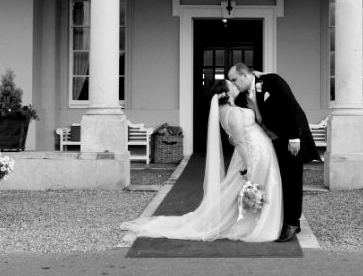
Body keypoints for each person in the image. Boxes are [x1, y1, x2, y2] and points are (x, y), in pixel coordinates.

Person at [121, 79, 283, 242]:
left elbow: (233, 138)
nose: (235, 86)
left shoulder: (227, 109)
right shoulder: (232, 112)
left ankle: (249, 220)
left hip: (253, 151)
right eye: (231, 85)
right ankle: (247, 223)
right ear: (226, 93)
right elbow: (239, 140)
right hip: (251, 154)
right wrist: (249, 164)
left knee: (236, 188)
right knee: (242, 187)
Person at [228, 62, 317, 243]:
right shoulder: (242, 98)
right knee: (281, 179)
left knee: (292, 179)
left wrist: (294, 138)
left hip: (291, 138)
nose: (233, 83)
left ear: (245, 75)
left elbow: (290, 105)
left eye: (234, 79)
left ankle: (292, 223)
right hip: (272, 142)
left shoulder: (273, 81)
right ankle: (287, 219)